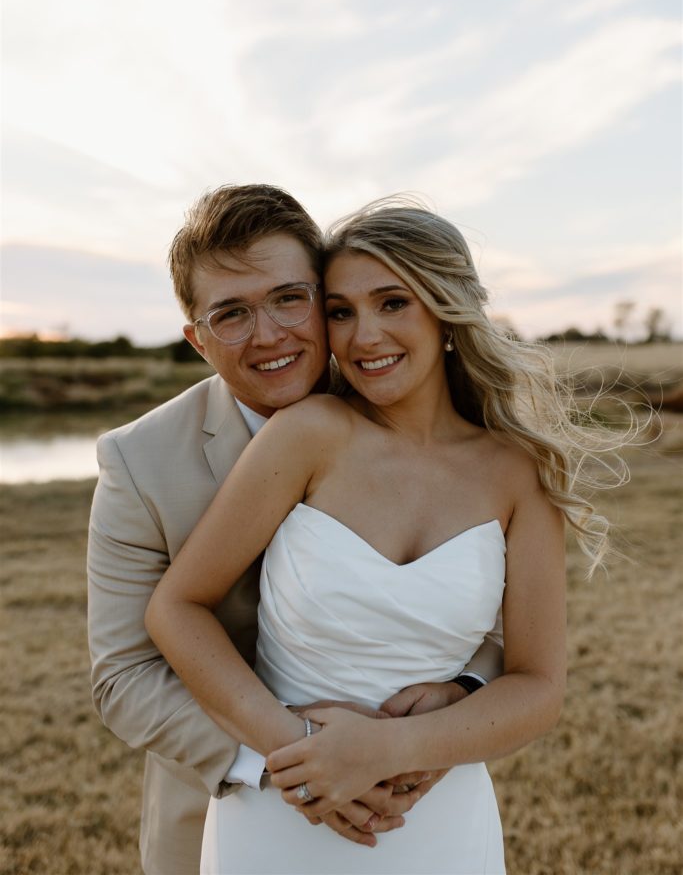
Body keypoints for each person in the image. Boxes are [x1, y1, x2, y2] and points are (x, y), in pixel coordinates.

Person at [146, 199, 615, 875]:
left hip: (435, 821)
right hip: (286, 810)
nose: (363, 337)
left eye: (392, 303)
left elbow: (537, 685)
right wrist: (303, 749)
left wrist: (395, 749)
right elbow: (177, 608)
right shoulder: (309, 433)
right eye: (340, 311)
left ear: (445, 310)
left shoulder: (517, 474)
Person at [87, 185, 502, 875]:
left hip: (412, 797)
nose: (270, 334)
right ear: (196, 338)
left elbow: (483, 596)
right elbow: (124, 677)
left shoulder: (403, 392)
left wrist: (457, 697)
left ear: (323, 293)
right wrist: (294, 755)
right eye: (232, 314)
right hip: (230, 800)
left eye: (289, 298)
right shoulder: (138, 461)